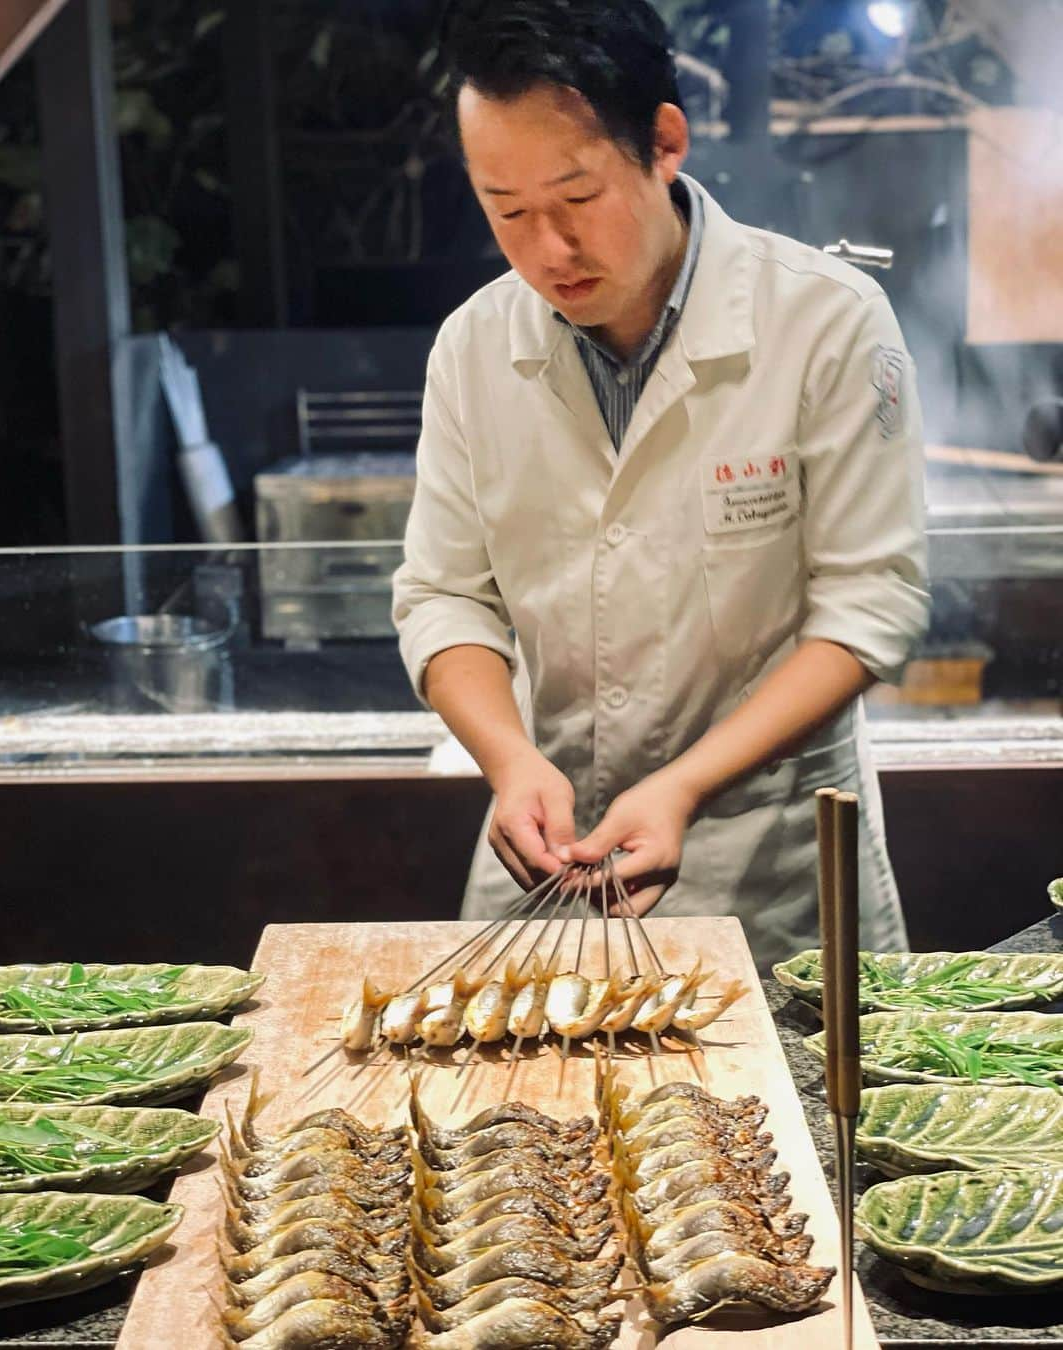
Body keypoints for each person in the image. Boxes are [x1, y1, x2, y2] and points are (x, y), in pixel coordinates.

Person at [392, 0, 929, 969]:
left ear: (665, 142)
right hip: (548, 877)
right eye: (506, 211)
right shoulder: (473, 347)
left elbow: (869, 607)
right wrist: (510, 761)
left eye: (576, 198)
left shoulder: (827, 324)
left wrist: (682, 785)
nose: (548, 249)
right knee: (523, 1124)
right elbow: (443, 600)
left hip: (770, 878)